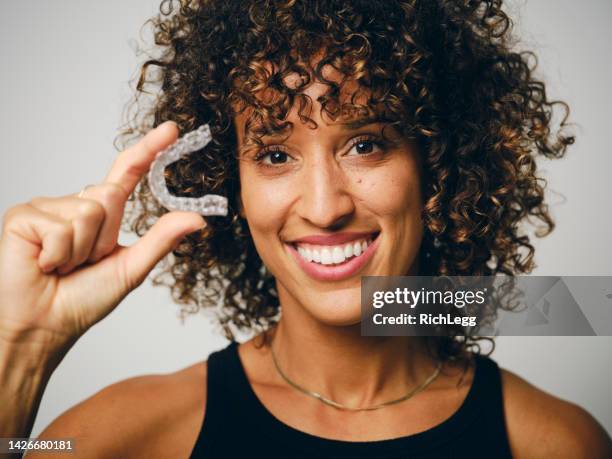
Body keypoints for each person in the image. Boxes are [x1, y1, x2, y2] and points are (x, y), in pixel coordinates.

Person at [1, 0, 611, 458]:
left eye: (366, 144)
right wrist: (19, 352)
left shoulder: (555, 442)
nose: (323, 208)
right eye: (273, 154)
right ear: (228, 181)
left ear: (440, 166)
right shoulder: (125, 435)